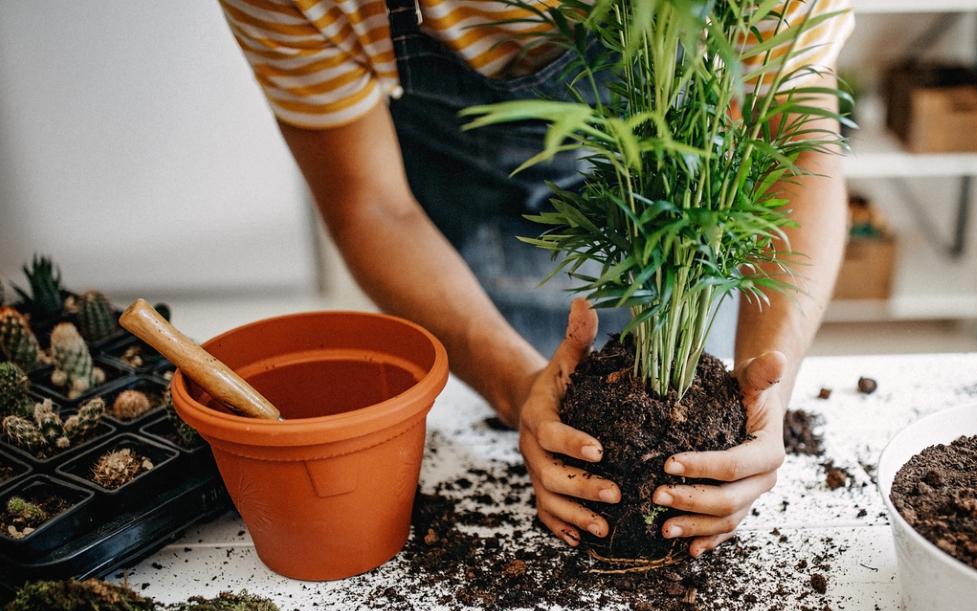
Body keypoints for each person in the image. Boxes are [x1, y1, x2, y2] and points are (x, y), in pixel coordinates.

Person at [218, 0, 854, 557]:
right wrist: (514, 386)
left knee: (682, 390)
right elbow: (372, 206)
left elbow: (797, 148)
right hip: (456, 265)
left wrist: (766, 383)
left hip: (685, 254)